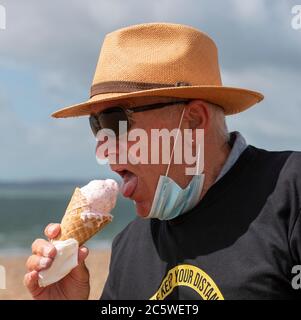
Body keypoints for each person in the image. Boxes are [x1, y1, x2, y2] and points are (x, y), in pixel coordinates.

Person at [24, 23, 301, 300]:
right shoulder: (128, 247)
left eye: (114, 121)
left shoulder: (291, 192)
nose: (103, 147)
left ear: (193, 121)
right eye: (96, 125)